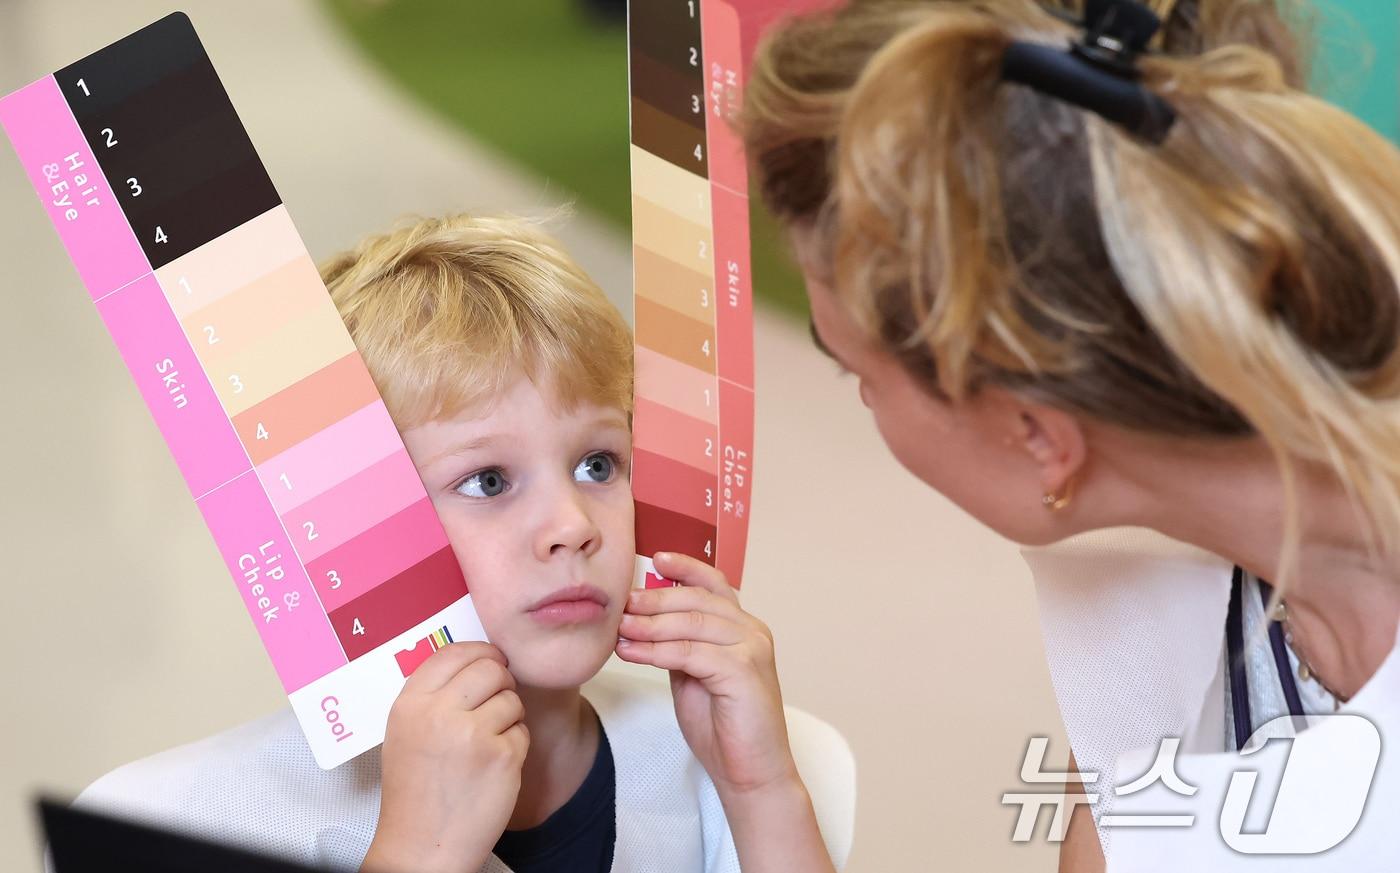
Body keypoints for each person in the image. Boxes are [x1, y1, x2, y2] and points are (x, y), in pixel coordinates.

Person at [735, 0, 1400, 869]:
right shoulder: (1179, 618)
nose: (865, 403)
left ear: (1039, 436)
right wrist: (762, 791)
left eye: (859, 374)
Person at [70, 213, 847, 873]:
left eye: (598, 464)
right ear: (353, 530)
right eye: (488, 480)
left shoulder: (710, 760)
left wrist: (761, 792)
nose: (574, 525)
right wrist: (417, 854)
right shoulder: (193, 818)